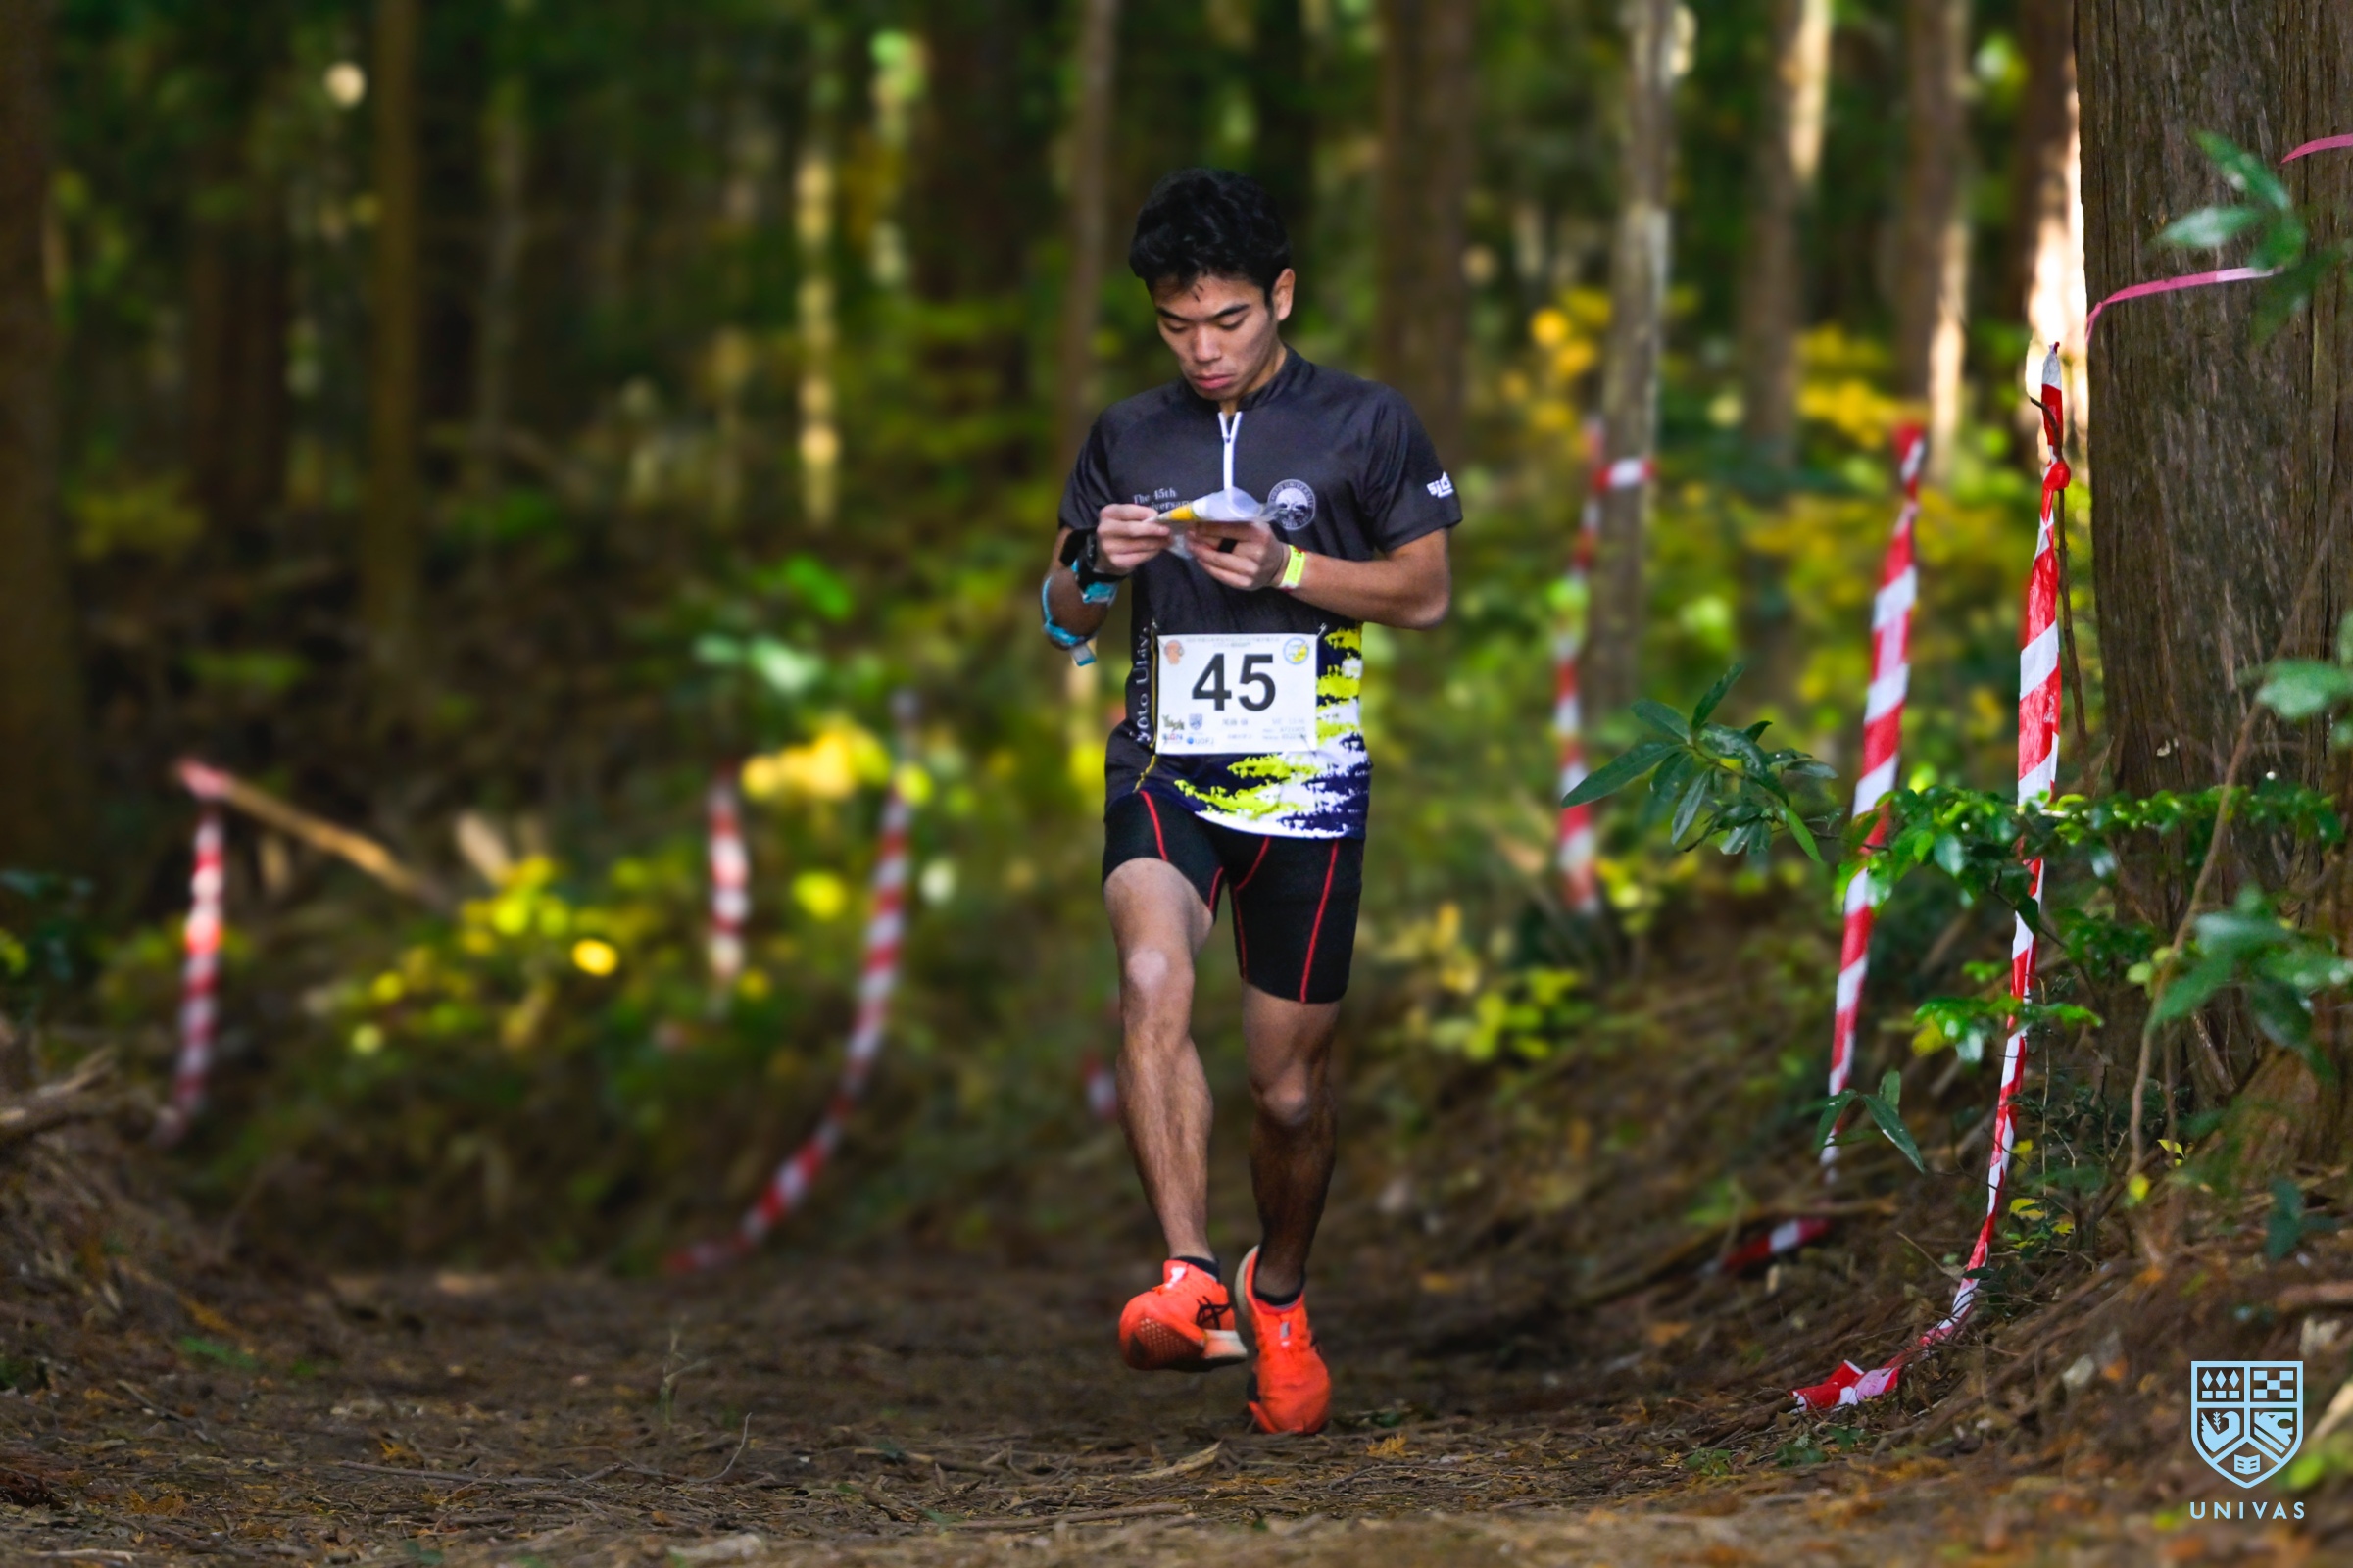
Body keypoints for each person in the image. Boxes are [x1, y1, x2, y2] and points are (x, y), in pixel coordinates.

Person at [1040, 168, 1459, 1435]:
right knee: (1150, 976)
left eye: (1226, 320)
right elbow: (1062, 618)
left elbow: (1425, 593)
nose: (1203, 349)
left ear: (1280, 294)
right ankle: (1186, 1279)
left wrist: (1289, 566)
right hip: (1165, 765)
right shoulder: (1127, 434)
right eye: (1176, 326)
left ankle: (1275, 1293)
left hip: (1307, 784)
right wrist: (1093, 566)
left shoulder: (1365, 423)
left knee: (1289, 1093)